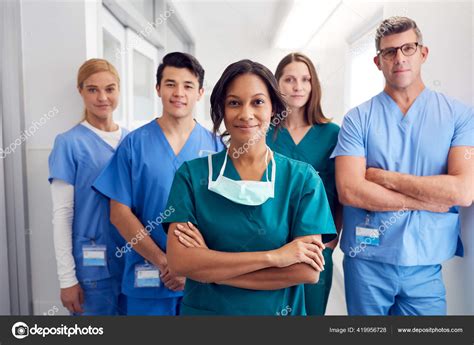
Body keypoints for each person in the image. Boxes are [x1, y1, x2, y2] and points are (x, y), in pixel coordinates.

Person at [162, 59, 337, 315]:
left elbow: (307, 271)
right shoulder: (192, 175)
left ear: (274, 108)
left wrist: (209, 268)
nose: (246, 114)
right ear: (222, 108)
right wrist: (275, 257)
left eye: (257, 102)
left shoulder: (302, 180)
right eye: (234, 103)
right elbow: (180, 262)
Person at [331, 16, 474, 315]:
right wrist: (429, 200)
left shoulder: (458, 116)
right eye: (389, 52)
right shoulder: (358, 118)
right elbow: (350, 191)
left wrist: (385, 178)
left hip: (426, 265)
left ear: (423, 53)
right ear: (377, 61)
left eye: (408, 48)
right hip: (366, 260)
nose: (400, 58)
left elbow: (462, 191)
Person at [92, 52, 223, 315]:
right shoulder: (134, 144)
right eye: (170, 84)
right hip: (148, 275)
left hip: (200, 282)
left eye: (187, 86)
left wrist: (190, 267)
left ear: (200, 92)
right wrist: (165, 262)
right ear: (158, 89)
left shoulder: (216, 147)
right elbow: (119, 213)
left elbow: (222, 217)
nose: (179, 93)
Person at [48, 58, 129, 315]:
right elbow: (62, 215)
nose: (102, 97)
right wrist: (66, 279)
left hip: (133, 263)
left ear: (119, 90)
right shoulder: (68, 144)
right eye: (92, 89)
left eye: (110, 88)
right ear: (80, 91)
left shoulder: (132, 140)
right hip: (91, 271)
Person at [267, 52, 341, 315]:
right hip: (271, 246)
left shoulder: (333, 134)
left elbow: (340, 193)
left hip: (316, 248)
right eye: (289, 79)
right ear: (276, 84)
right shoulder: (264, 133)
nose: (298, 87)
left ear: (314, 85)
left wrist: (331, 243)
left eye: (305, 79)